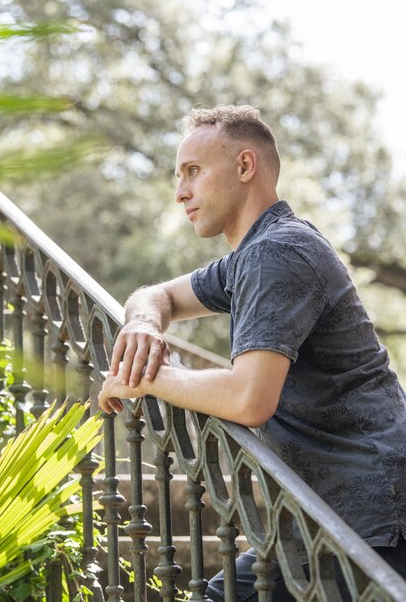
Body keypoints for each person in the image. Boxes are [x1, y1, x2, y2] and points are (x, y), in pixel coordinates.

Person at [98, 105, 406, 600]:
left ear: (245, 167)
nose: (181, 192)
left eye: (193, 172)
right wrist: (142, 324)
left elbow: (248, 398)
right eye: (179, 176)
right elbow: (157, 295)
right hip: (316, 522)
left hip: (372, 520)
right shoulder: (252, 256)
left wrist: (150, 377)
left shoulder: (277, 253)